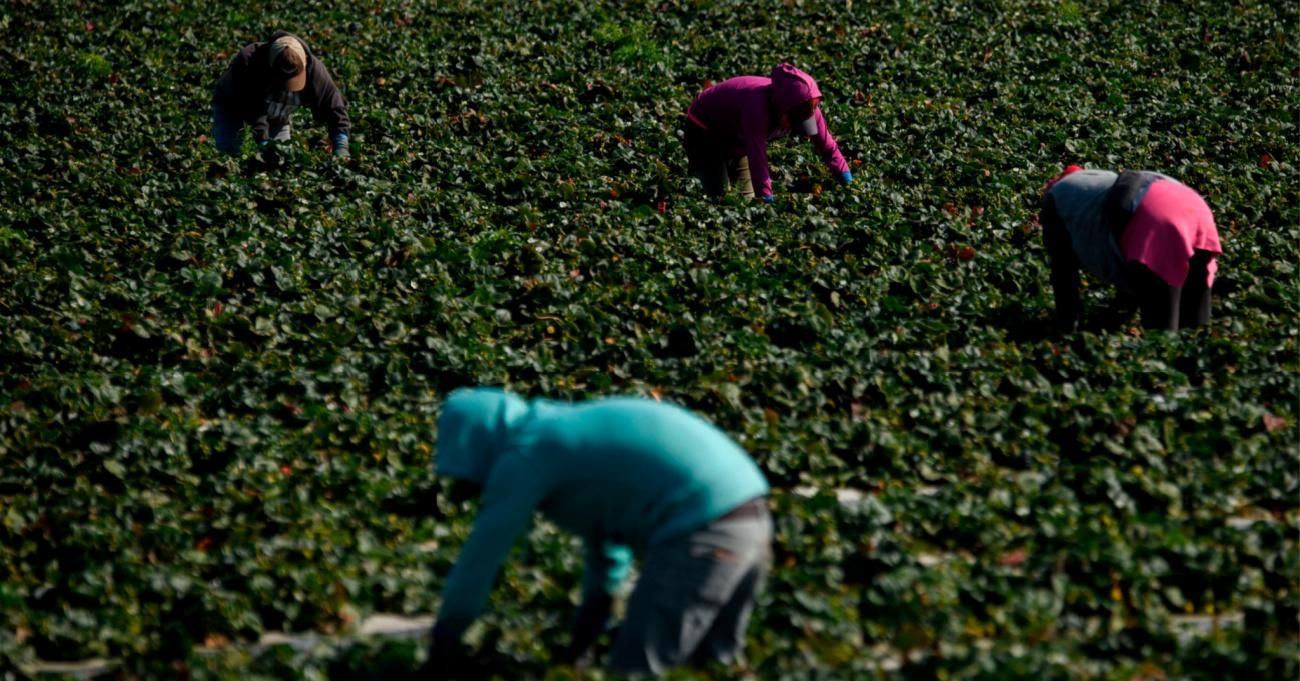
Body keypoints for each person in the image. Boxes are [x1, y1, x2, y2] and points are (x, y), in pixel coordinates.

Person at [422, 387, 772, 677]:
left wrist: (443, 644)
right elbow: (608, 549)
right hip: (751, 517)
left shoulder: (527, 451)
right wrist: (585, 637)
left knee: (636, 671)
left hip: (702, 530)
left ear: (477, 442)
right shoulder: (564, 431)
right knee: (711, 667)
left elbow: (479, 562)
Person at [1040, 165, 1223, 331]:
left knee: (1162, 338)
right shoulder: (1101, 182)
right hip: (1195, 207)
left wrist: (1068, 329)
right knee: (1197, 330)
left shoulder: (1055, 197)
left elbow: (1064, 275)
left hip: (1154, 217)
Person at [683, 63, 852, 201]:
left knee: (746, 201)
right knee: (718, 201)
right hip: (705, 134)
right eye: (792, 123)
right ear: (781, 108)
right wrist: (767, 201)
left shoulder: (808, 107)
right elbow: (758, 159)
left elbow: (828, 148)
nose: (791, 129)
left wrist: (849, 186)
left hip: (738, 140)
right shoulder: (757, 108)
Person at [211, 30, 350, 158]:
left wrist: (341, 142)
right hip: (232, 107)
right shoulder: (249, 63)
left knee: (282, 160)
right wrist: (264, 144)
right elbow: (253, 110)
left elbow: (334, 106)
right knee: (230, 153)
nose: (288, 89)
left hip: (278, 117)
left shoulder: (315, 72)